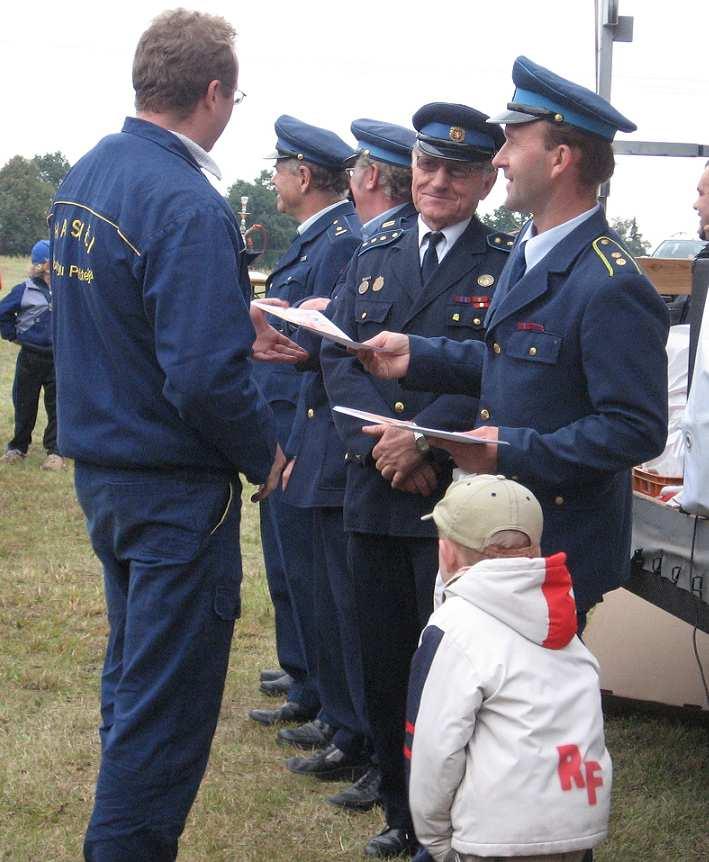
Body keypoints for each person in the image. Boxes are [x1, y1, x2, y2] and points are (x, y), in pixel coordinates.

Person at [49, 10, 285, 860]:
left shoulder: (86, 176)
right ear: (214, 92)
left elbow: (117, 313)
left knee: (133, 683)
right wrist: (269, 454)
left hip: (107, 478)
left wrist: (231, 316)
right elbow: (202, 379)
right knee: (165, 714)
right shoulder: (187, 201)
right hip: (174, 493)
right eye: (237, 94)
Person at [359, 56, 669, 637]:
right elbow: (518, 366)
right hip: (499, 534)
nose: (497, 159)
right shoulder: (533, 250)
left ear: (559, 158)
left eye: (511, 143)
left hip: (554, 545)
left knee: (527, 719)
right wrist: (419, 354)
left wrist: (510, 450)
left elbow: (635, 428)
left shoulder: (611, 283)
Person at [321, 102, 512, 858]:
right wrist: (380, 445)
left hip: (451, 494)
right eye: (427, 166)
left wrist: (420, 440)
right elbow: (339, 352)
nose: (437, 182)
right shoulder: (375, 246)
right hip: (375, 484)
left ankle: (452, 811)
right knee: (381, 654)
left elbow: (502, 372)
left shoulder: (507, 260)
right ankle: (400, 813)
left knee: (452, 666)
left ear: (484, 183)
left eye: (457, 171)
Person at [279, 120, 419, 810]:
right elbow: (344, 349)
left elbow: (379, 355)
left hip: (368, 458)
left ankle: (364, 736)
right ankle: (350, 726)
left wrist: (390, 442)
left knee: (361, 617)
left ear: (367, 178)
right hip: (341, 444)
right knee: (335, 605)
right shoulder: (362, 244)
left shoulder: (366, 245)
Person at [407, 474, 611, 862]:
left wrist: (434, 840)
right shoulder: (562, 614)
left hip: (495, 837)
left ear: (446, 553)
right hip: (579, 824)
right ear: (535, 550)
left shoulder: (454, 629)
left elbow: (435, 749)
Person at [248, 115, 362, 728]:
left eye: (278, 168)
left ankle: (317, 688)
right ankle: (303, 670)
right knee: (288, 561)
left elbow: (317, 346)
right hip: (284, 417)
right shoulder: (316, 237)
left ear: (304, 174)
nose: (272, 179)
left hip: (301, 420)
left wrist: (289, 439)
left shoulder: (338, 240)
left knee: (311, 572)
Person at [0, 239, 63, 470]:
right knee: (25, 403)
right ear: (42, 265)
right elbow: (3, 313)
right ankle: (18, 447)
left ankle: (56, 451)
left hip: (58, 358)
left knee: (57, 405)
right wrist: (12, 335)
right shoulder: (24, 290)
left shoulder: (66, 289)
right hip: (30, 358)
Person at [347, 118, 418, 238]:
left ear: (371, 175)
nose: (349, 183)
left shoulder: (388, 243)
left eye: (352, 172)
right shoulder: (418, 232)